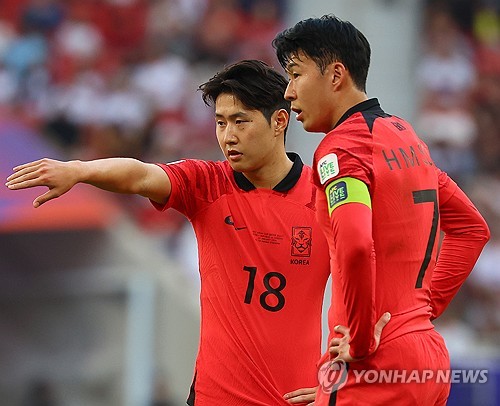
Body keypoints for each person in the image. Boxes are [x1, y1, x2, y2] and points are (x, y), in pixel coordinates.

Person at [6, 60, 332, 406]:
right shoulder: (207, 184)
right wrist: (81, 170)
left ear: (279, 121)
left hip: (298, 399)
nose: (228, 136)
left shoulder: (323, 196)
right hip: (214, 397)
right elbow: (140, 176)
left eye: (241, 121)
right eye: (220, 123)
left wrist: (340, 379)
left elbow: (372, 293)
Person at [273, 15, 490, 405]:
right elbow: (472, 228)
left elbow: (356, 244)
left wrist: (358, 339)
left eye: (295, 74)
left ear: (335, 75)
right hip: (425, 356)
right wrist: (420, 312)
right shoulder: (406, 138)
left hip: (373, 363)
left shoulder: (345, 148)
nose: (288, 92)